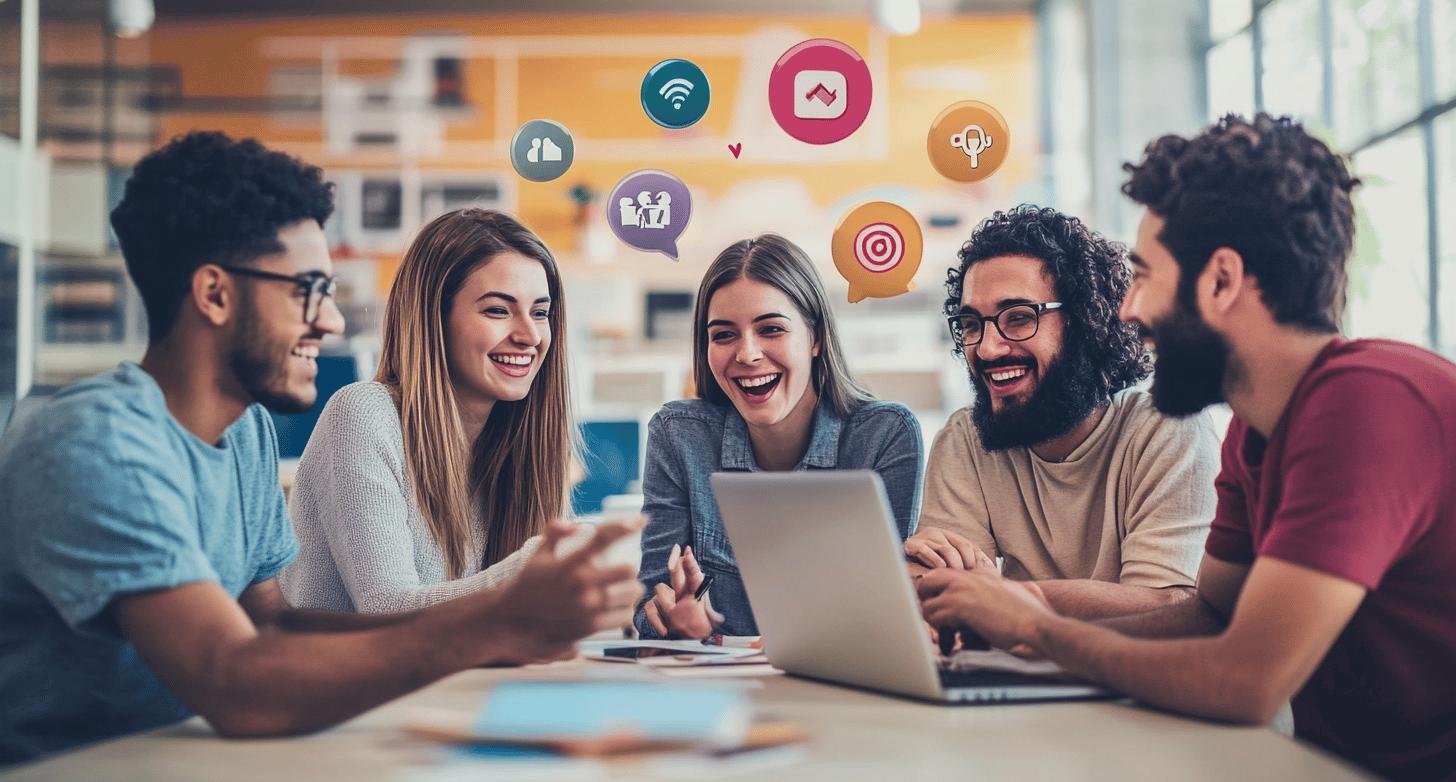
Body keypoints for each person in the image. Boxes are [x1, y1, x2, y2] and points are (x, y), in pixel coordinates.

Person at [0, 132, 642, 765]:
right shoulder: (95, 443)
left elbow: (277, 628)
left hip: (192, 769)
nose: (331, 321)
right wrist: (495, 621)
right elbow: (231, 679)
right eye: (306, 289)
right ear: (215, 293)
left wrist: (525, 627)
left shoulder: (242, 431)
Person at [916, 113, 1456, 782]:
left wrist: (1037, 625)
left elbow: (1244, 680)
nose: (1130, 310)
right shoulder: (1255, 430)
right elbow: (1207, 615)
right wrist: (1019, 639)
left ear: (1221, 280)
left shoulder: (1368, 401)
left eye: (1144, 276)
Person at [905, 205, 1221, 619]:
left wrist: (995, 597)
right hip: (1008, 675)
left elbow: (1168, 606)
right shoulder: (966, 439)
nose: (986, 348)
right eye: (971, 325)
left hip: (1128, 681)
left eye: (1018, 318)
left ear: (1085, 322)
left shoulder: (1166, 426)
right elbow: (943, 594)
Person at [281, 209, 581, 613]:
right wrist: (533, 570)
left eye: (540, 313)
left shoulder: (518, 444)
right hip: (350, 676)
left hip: (460, 678)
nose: (529, 335)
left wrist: (646, 599)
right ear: (433, 319)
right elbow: (388, 612)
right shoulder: (363, 415)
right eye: (497, 310)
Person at [635, 234, 924, 639]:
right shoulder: (678, 435)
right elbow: (649, 609)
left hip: (835, 695)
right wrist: (678, 622)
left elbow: (889, 620)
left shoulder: (884, 437)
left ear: (816, 338)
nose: (747, 354)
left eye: (770, 329)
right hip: (720, 692)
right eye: (723, 335)